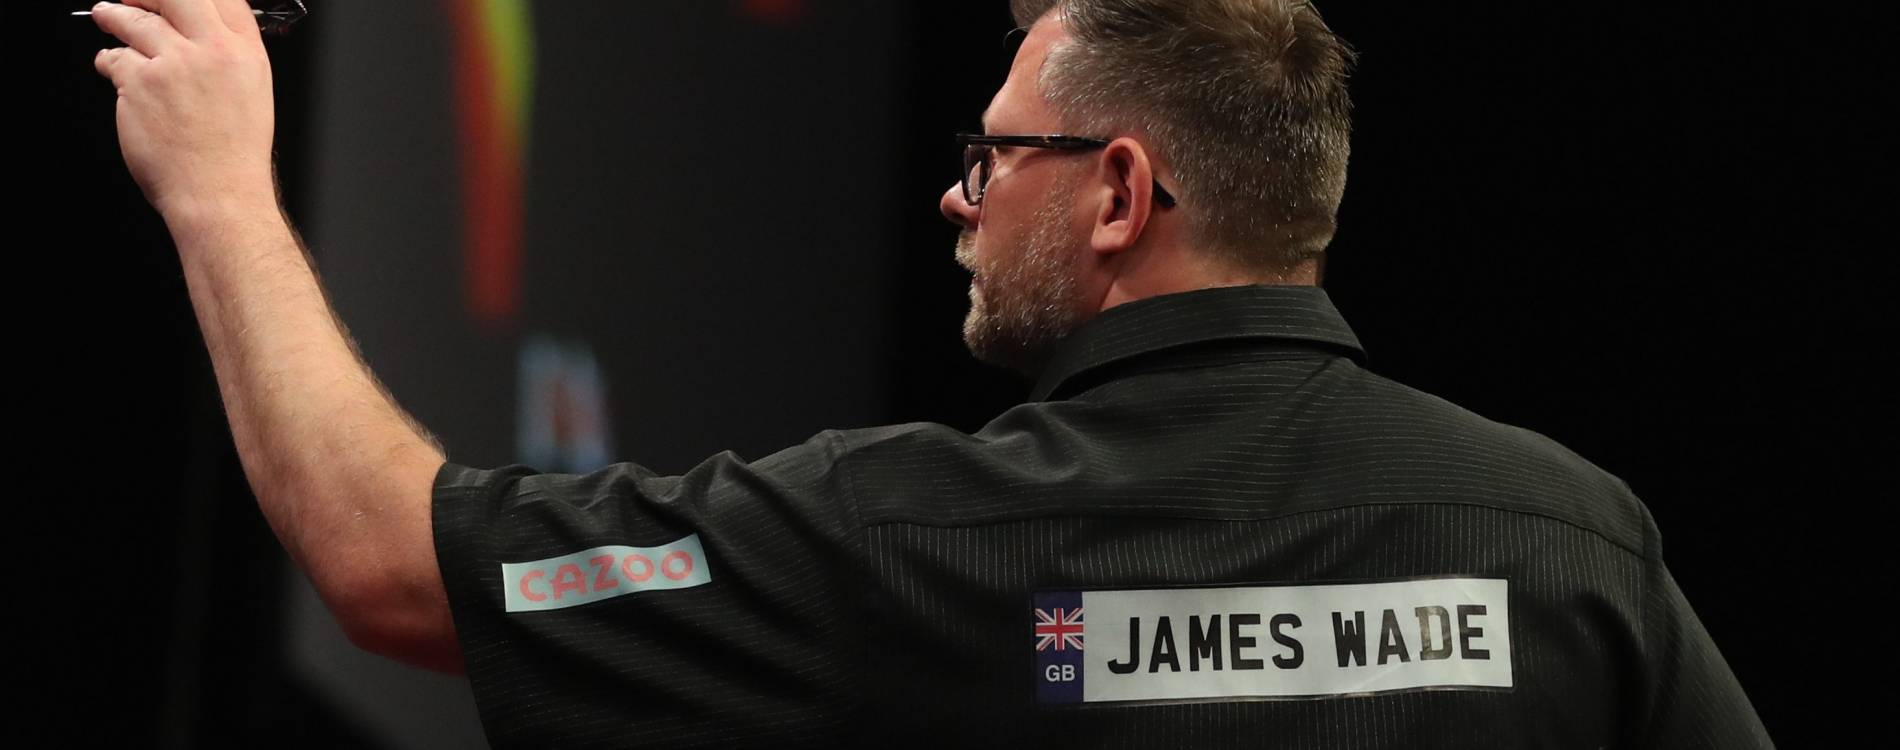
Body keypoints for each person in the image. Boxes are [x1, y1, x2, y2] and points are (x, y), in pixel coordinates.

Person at [90, 0, 1770, 746]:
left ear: (1118, 193)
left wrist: (225, 186)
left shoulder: (911, 542)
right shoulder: (1566, 545)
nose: (960, 197)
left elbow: (392, 560)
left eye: (997, 153)